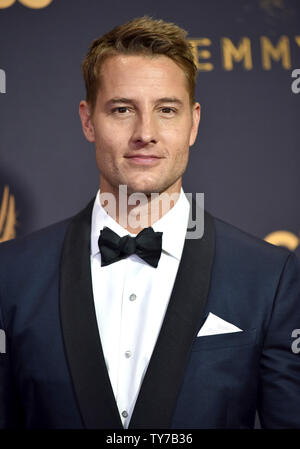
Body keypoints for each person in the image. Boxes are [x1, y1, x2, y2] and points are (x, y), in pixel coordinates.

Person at [0, 16, 300, 430]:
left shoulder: (269, 276)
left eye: (166, 110)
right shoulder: (12, 275)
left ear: (193, 123)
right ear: (88, 121)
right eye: (122, 109)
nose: (146, 133)